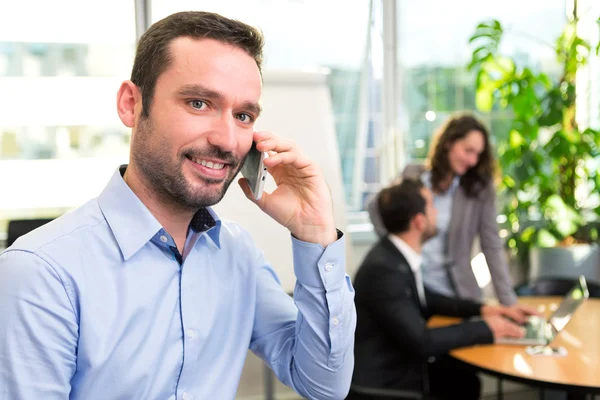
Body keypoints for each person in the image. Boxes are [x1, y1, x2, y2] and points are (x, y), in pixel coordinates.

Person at [0, 11, 356, 400]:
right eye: (199, 103)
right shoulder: (40, 273)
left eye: (243, 116)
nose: (227, 140)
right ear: (131, 105)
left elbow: (323, 385)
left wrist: (316, 234)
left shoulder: (237, 255)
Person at [351, 179, 532, 400]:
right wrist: (487, 329)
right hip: (384, 381)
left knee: (465, 379)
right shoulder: (385, 270)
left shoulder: (393, 254)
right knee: (463, 384)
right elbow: (422, 341)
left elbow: (426, 298)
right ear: (419, 221)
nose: (436, 212)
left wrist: (484, 310)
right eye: (431, 206)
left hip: (400, 362)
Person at [368, 114, 519, 306]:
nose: (473, 161)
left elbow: (492, 245)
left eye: (478, 155)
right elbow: (375, 206)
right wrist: (394, 245)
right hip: (412, 288)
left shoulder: (478, 190)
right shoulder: (413, 175)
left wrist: (509, 302)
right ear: (449, 143)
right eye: (468, 151)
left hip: (455, 293)